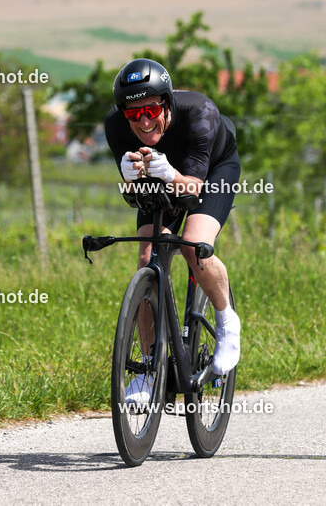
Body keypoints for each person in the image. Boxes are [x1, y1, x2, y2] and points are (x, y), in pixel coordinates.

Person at [104, 58, 241, 405]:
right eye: (134, 114)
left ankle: (226, 322)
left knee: (195, 246)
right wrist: (131, 180)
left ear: (167, 102)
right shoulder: (115, 127)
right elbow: (134, 193)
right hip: (163, 172)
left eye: (151, 109)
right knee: (148, 256)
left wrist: (170, 175)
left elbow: (193, 190)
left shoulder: (200, 112)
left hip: (211, 171)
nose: (144, 120)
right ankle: (149, 368)